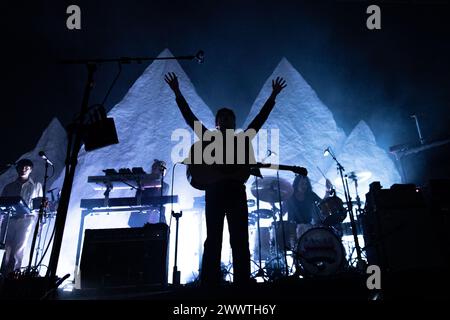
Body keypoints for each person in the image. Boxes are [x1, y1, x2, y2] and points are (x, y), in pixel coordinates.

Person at [165, 72, 287, 287]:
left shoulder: (241, 139)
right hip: (215, 191)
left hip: (234, 191)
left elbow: (260, 120)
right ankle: (209, 282)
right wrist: (177, 92)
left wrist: (273, 96)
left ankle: (242, 280)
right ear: (217, 123)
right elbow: (190, 118)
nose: (226, 120)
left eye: (229, 118)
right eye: (222, 118)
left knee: (239, 238)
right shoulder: (209, 138)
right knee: (213, 238)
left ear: (233, 122)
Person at [0, 159, 43, 276]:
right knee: (6, 247)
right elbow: (2, 204)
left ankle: (14, 274)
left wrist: (39, 224)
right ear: (17, 169)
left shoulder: (36, 186)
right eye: (21, 167)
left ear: (31, 170)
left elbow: (39, 206)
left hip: (26, 219)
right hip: (10, 219)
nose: (23, 170)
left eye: (26, 168)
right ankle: (3, 274)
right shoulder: (9, 187)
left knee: (19, 248)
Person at [127, 159, 169, 227]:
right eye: (155, 168)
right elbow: (137, 199)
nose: (155, 170)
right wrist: (141, 187)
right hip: (140, 217)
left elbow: (160, 201)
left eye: (159, 169)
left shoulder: (165, 186)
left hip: (155, 219)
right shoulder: (144, 181)